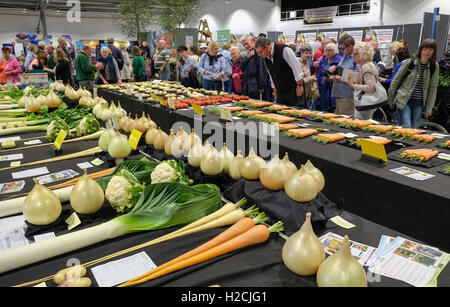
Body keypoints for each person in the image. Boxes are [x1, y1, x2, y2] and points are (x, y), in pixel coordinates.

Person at [388, 39, 439, 129]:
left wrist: (429, 108)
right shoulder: (409, 63)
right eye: (425, 49)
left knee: (414, 129)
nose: (427, 52)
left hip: (419, 103)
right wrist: (391, 99)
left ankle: (405, 143)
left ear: (434, 51)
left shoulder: (434, 66)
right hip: (404, 100)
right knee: (407, 127)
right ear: (421, 50)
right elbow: (395, 81)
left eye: (430, 49)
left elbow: (433, 88)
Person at [254, 37, 305, 107]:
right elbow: (271, 74)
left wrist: (299, 85)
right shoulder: (266, 58)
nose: (259, 55)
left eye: (260, 52)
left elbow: (296, 67)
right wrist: (274, 90)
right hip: (280, 91)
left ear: (267, 47)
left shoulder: (284, 49)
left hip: (293, 89)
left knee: (295, 113)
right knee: (280, 113)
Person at [345, 42, 380, 120]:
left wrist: (353, 85)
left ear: (362, 54)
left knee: (360, 125)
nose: (352, 56)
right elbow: (366, 79)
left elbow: (371, 87)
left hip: (366, 103)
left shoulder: (366, 66)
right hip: (365, 102)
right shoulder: (366, 65)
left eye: (355, 54)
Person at [330, 34, 359, 115]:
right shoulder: (345, 56)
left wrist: (342, 78)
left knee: (345, 120)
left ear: (350, 46)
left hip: (348, 95)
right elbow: (343, 70)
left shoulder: (356, 57)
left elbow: (358, 76)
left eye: (342, 49)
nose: (341, 51)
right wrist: (335, 68)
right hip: (339, 93)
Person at [240, 35, 272, 101]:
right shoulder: (248, 54)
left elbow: (262, 70)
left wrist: (261, 86)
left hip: (256, 86)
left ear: (251, 41)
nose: (245, 46)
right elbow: (241, 67)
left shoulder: (258, 53)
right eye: (244, 45)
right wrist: (247, 58)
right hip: (248, 85)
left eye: (246, 43)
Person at [315, 43, 341, 111]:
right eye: (326, 50)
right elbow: (319, 75)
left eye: (330, 50)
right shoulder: (322, 60)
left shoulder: (340, 61)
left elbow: (343, 74)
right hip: (323, 90)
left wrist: (334, 78)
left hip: (335, 90)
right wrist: (325, 79)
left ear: (335, 51)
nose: (327, 52)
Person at [298, 44, 317, 109]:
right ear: (301, 53)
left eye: (310, 53)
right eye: (306, 53)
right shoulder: (298, 62)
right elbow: (299, 80)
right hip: (300, 92)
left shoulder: (308, 62)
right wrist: (311, 78)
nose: (308, 55)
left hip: (307, 92)